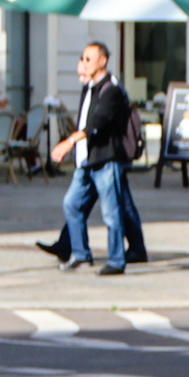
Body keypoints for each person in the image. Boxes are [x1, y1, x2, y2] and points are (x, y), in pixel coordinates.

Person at [52, 42, 132, 275]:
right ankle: (80, 253)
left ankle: (116, 260)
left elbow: (95, 123)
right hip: (87, 160)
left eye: (89, 59)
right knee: (71, 203)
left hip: (106, 159)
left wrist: (68, 142)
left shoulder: (111, 90)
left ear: (102, 61)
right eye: (82, 58)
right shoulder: (89, 88)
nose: (84, 63)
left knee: (111, 213)